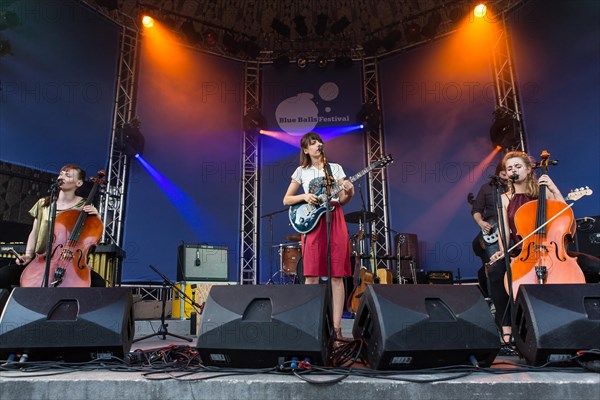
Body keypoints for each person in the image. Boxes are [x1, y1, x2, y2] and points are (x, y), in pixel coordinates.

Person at [487, 151, 600, 343]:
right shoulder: (505, 198)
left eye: (518, 166)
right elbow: (505, 232)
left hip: (553, 248)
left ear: (529, 168)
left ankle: (587, 319)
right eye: (509, 168)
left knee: (594, 266)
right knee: (496, 271)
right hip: (523, 250)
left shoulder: (544, 191)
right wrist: (502, 251)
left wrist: (554, 191)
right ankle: (507, 329)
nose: (513, 170)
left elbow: (565, 217)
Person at [283, 132, 354, 341]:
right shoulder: (301, 171)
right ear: (305, 149)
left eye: (319, 142)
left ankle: (337, 329)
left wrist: (348, 192)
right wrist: (304, 196)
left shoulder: (336, 168)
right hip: (314, 222)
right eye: (312, 143)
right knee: (311, 274)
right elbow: (286, 199)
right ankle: (309, 325)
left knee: (337, 275)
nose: (317, 145)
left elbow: (342, 199)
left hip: (335, 216)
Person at [0, 164, 106, 289]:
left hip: (70, 262)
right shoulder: (43, 203)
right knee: (4, 274)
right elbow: (34, 232)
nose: (62, 176)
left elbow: (91, 236)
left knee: (99, 284)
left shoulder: (84, 206)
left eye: (68, 175)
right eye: (61, 173)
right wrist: (28, 255)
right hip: (41, 260)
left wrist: (97, 217)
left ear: (79, 183)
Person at [470, 162, 508, 297]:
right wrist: (481, 222)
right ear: (498, 173)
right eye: (503, 174)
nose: (506, 177)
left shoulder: (513, 187)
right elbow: (476, 210)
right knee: (495, 267)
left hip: (511, 231)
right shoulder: (486, 188)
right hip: (492, 233)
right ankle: (495, 302)